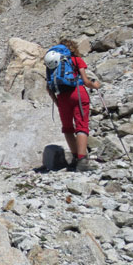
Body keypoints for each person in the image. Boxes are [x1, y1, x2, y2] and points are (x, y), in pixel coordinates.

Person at [45, 39, 101, 171]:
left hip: (62, 96)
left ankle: (75, 159)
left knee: (68, 128)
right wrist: (95, 85)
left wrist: (58, 102)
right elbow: (86, 81)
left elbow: (49, 88)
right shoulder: (76, 60)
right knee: (81, 126)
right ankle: (82, 161)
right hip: (78, 93)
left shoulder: (54, 62)